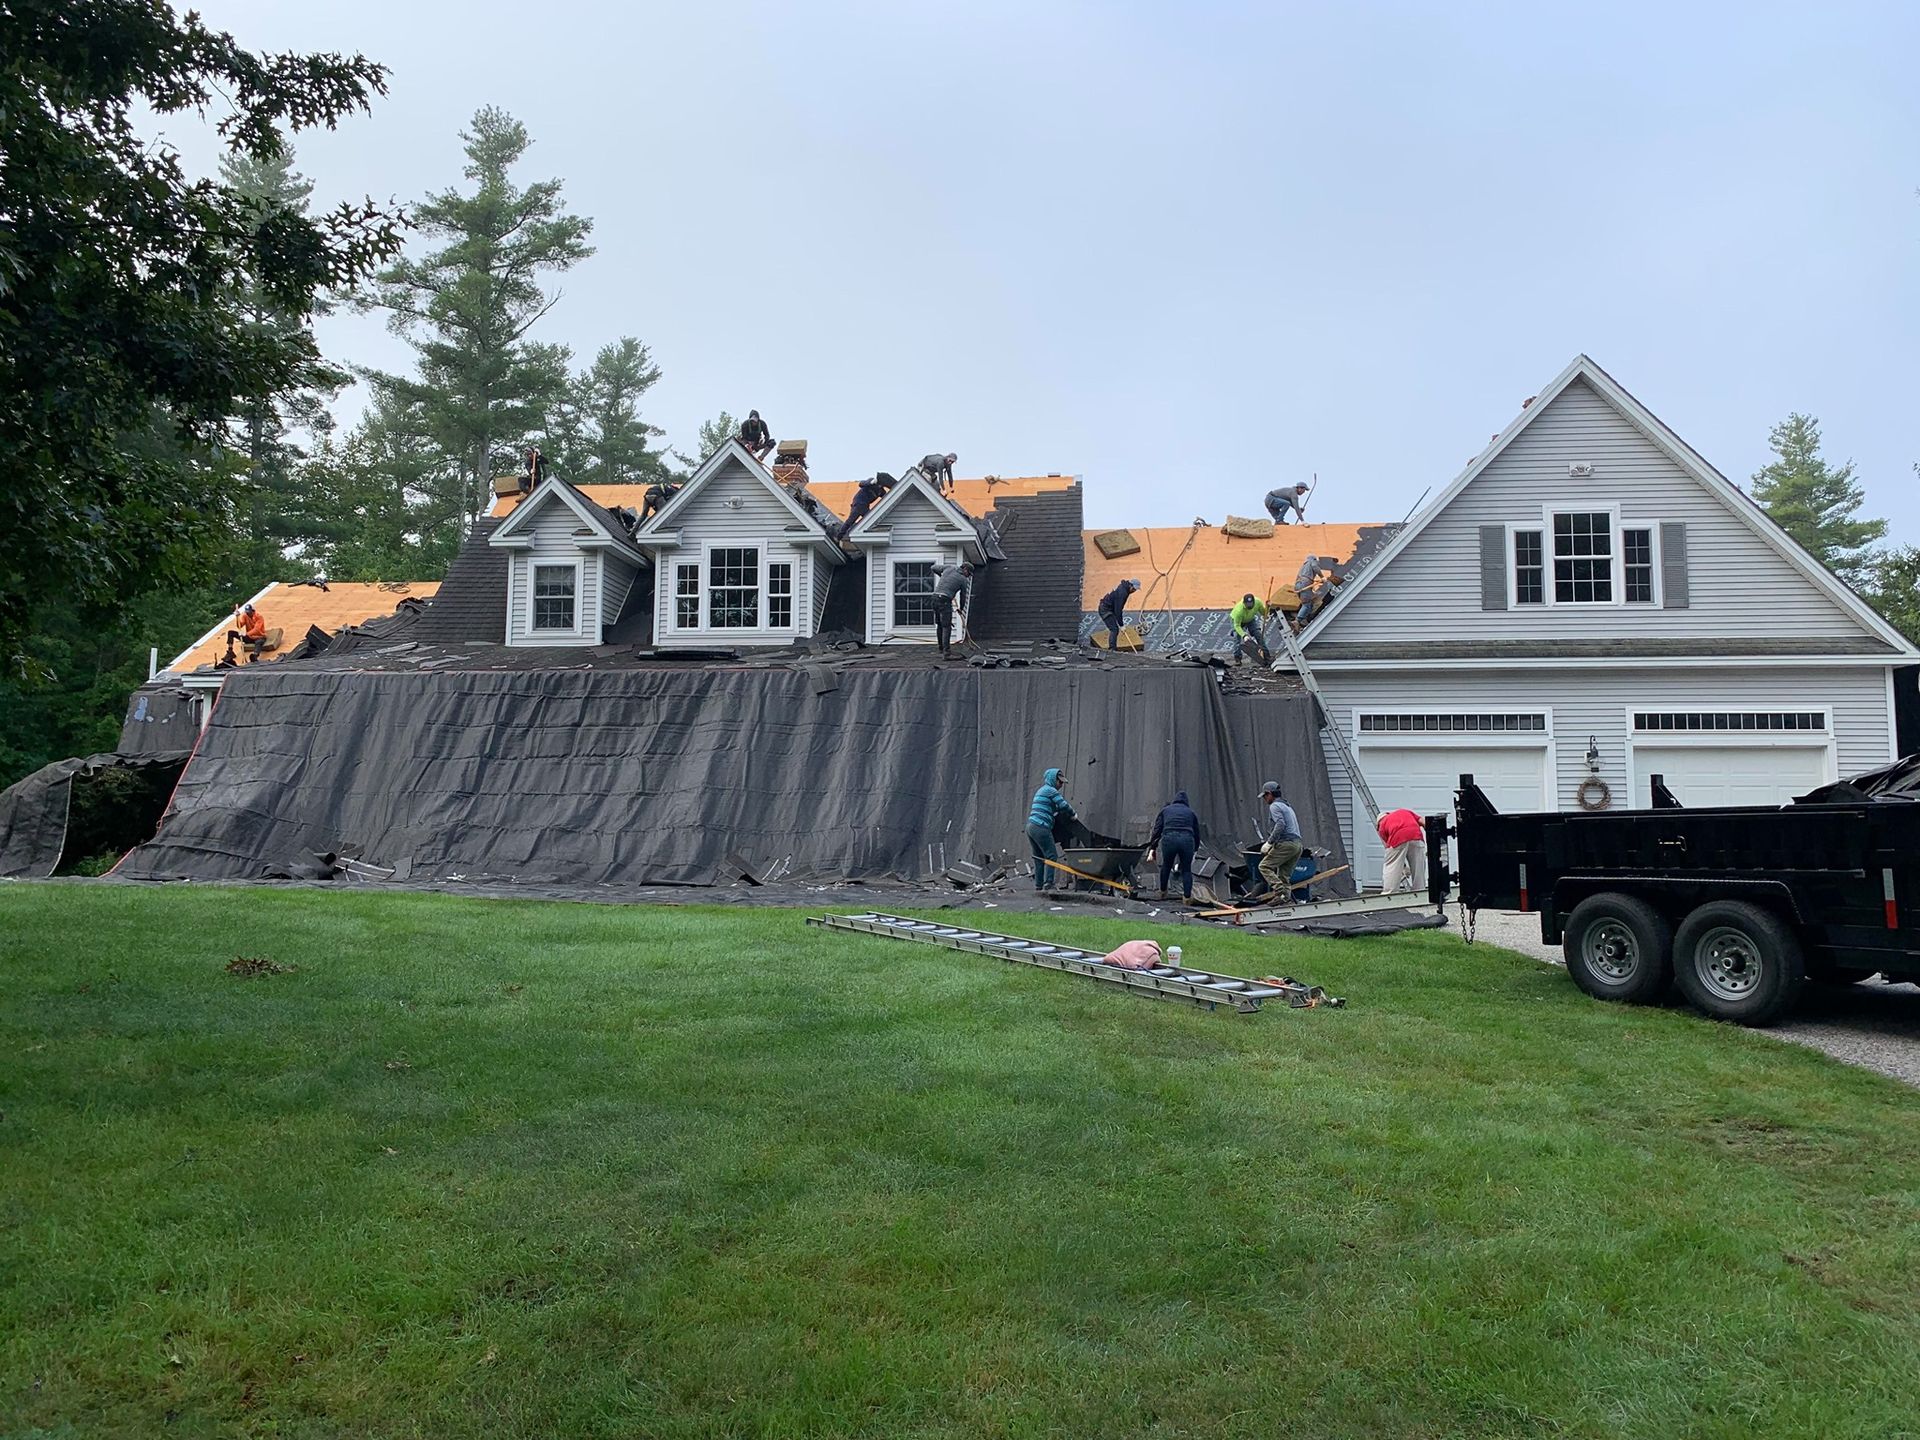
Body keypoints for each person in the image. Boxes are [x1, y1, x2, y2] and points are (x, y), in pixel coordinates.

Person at [1027, 766, 1075, 891]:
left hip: (1031, 827)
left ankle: (1038, 885)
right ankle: (1049, 884)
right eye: (1060, 782)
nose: (1061, 785)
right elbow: (1063, 805)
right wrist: (1073, 815)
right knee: (1051, 856)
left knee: (1038, 857)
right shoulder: (1051, 791)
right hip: (1041, 827)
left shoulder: (1041, 791)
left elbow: (1053, 808)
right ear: (1053, 780)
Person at [1254, 780, 1304, 900]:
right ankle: (1283, 899)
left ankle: (1278, 889)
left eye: (1265, 796)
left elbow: (1280, 824)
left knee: (1264, 866)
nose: (1265, 799)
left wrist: (1269, 843)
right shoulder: (1287, 806)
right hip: (1297, 845)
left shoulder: (1275, 806)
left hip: (1286, 843)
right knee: (1284, 875)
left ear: (1270, 794)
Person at [1148, 789, 1200, 900]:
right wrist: (1195, 848)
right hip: (1187, 840)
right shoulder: (1191, 813)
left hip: (1169, 838)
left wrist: (1153, 847)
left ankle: (1162, 892)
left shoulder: (1165, 811)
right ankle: (1186, 898)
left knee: (1166, 865)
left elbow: (1157, 830)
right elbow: (1197, 832)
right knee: (1186, 869)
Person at [1377, 807, 1427, 893]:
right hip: (1416, 835)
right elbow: (1423, 822)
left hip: (1398, 837)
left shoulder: (1381, 826)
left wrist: (1402, 868)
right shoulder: (1405, 811)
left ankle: (1389, 892)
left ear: (1378, 822)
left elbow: (1391, 851)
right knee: (1419, 865)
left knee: (1391, 865)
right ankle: (1419, 891)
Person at [931, 560, 974, 658]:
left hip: (934, 598)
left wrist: (942, 577)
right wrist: (961, 609)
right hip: (945, 600)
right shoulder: (963, 579)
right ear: (965, 569)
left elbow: (933, 568)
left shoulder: (949, 567)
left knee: (940, 625)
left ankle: (941, 648)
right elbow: (963, 597)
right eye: (968, 574)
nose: (968, 576)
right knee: (946, 626)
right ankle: (947, 653)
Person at [837, 473, 895, 538]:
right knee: (851, 521)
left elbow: (886, 497)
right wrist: (870, 482)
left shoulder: (881, 491)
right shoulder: (872, 481)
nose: (880, 486)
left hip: (865, 506)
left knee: (868, 520)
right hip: (858, 503)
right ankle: (839, 536)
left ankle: (853, 531)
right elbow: (861, 484)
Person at [1095, 578, 1140, 649]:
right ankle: (1112, 650)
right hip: (1105, 609)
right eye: (1134, 589)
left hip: (1110, 608)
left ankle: (1113, 648)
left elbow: (1118, 608)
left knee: (1115, 626)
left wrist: (1119, 620)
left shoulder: (1124, 588)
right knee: (1114, 629)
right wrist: (1121, 625)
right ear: (1130, 585)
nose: (1134, 591)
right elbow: (1118, 610)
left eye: (1135, 590)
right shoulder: (1123, 593)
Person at [1293, 556, 1337, 627]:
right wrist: (1322, 577)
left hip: (1299, 585)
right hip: (1304, 585)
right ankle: (1297, 621)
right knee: (1307, 604)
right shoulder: (1312, 562)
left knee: (1310, 601)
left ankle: (1305, 617)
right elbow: (1315, 567)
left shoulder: (1304, 566)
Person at [1229, 592, 1273, 664]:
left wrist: (1268, 607)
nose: (1249, 605)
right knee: (1237, 637)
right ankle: (1237, 658)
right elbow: (1237, 625)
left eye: (1251, 603)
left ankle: (1266, 655)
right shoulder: (1239, 611)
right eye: (1247, 604)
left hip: (1250, 619)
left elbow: (1264, 613)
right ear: (1244, 603)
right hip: (1238, 621)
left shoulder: (1258, 602)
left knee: (1258, 634)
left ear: (1254, 602)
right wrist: (1244, 635)